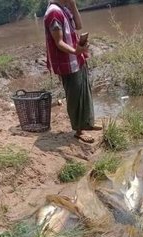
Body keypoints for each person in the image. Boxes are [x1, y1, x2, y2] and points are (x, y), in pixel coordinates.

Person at [43, 0, 102, 144]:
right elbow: (59, 42)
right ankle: (78, 131)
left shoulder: (64, 9)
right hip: (67, 61)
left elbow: (79, 25)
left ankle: (87, 123)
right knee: (74, 95)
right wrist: (75, 51)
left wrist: (73, 5)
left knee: (84, 90)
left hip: (76, 58)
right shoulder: (54, 12)